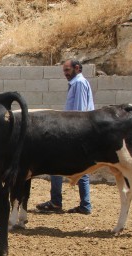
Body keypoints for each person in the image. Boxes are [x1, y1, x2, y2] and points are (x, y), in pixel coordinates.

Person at [36, 59, 95, 215]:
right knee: (81, 168)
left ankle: (57, 202)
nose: (65, 74)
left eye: (67, 70)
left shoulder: (79, 84)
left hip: (75, 132)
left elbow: (79, 112)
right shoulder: (77, 83)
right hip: (78, 131)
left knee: (55, 165)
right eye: (64, 71)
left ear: (77, 68)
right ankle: (84, 205)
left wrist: (70, 133)